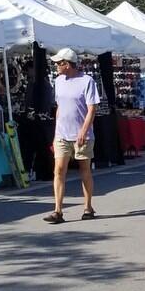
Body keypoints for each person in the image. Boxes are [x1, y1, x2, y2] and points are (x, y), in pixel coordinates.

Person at [44, 48, 99, 224]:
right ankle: (58, 210)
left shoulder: (87, 81)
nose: (56, 66)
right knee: (59, 170)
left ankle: (88, 206)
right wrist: (55, 132)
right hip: (62, 133)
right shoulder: (58, 81)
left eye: (59, 63)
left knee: (84, 169)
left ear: (67, 64)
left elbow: (92, 109)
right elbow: (59, 107)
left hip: (81, 134)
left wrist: (83, 131)